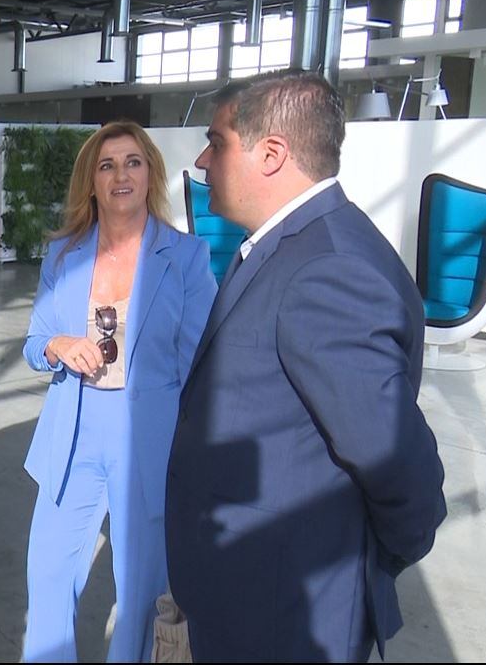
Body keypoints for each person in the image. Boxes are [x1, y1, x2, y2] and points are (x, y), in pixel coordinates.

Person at [166, 69, 447, 661]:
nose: (200, 159)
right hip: (251, 599)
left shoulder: (326, 270)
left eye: (216, 142)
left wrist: (367, 558)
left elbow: (400, 467)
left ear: (272, 154)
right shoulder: (287, 248)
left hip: (284, 617)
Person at [21, 121, 217, 662]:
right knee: (49, 579)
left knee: (138, 595)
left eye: (133, 162)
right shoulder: (62, 255)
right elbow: (34, 343)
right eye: (107, 165)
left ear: (149, 172)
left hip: (147, 445)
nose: (121, 174)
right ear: (91, 181)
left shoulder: (186, 257)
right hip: (72, 437)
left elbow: (202, 364)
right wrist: (57, 344)